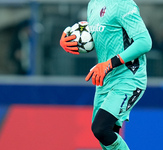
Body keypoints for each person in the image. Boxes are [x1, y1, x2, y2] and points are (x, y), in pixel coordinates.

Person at [60, 0, 152, 149]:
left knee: (101, 128)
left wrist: (109, 64)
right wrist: (71, 39)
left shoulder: (124, 4)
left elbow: (144, 42)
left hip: (129, 77)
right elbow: (104, 37)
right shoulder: (93, 4)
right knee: (105, 137)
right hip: (106, 80)